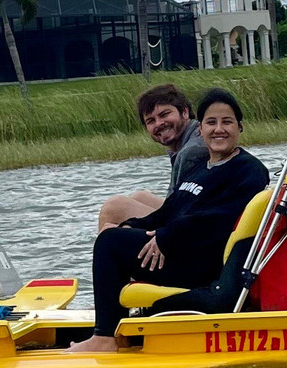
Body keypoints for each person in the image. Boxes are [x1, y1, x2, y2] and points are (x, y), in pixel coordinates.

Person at [70, 88, 269, 353]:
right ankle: (114, 325)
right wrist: (131, 227)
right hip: (182, 252)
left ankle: (104, 338)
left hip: (202, 265)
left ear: (240, 127)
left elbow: (220, 218)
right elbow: (169, 210)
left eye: (227, 122)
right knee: (115, 233)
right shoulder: (201, 169)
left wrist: (167, 236)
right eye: (211, 122)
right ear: (201, 129)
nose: (218, 129)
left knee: (110, 243)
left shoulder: (249, 169)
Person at [97, 84, 207, 231]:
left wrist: (130, 227)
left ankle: (108, 249)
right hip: (190, 215)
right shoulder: (188, 143)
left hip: (197, 228)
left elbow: (182, 210)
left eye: (164, 114)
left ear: (185, 112)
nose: (159, 124)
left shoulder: (192, 151)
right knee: (140, 197)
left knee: (113, 208)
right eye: (151, 121)